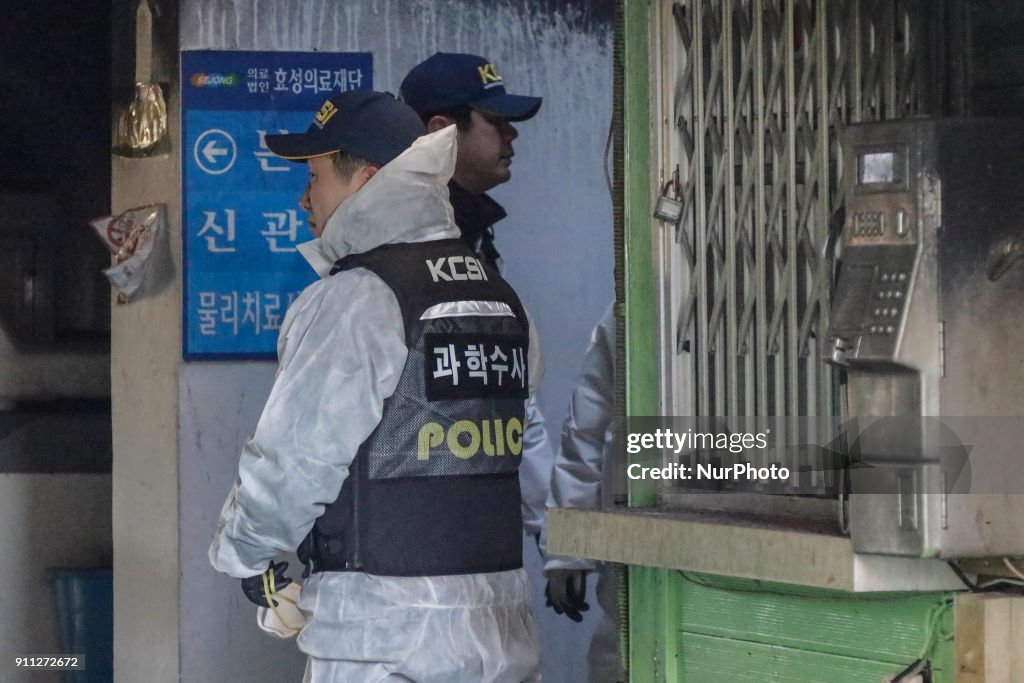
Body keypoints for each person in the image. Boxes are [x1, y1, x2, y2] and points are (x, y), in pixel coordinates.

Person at [209, 89, 542, 683]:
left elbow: (292, 462)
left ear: (364, 178)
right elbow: (524, 437)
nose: (304, 197)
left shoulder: (358, 298)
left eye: (314, 177)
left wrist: (248, 555)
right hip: (501, 629)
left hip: (383, 636)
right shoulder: (499, 294)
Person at [399, 52, 552, 543]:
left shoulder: (470, 229)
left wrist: (555, 533)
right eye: (498, 122)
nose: (512, 136)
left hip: (463, 515)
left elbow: (507, 390)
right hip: (414, 520)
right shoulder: (403, 239)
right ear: (443, 130)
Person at [542, 303, 625, 683]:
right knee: (620, 656)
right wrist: (568, 552)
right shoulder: (631, 311)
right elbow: (587, 431)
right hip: (638, 549)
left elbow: (585, 433)